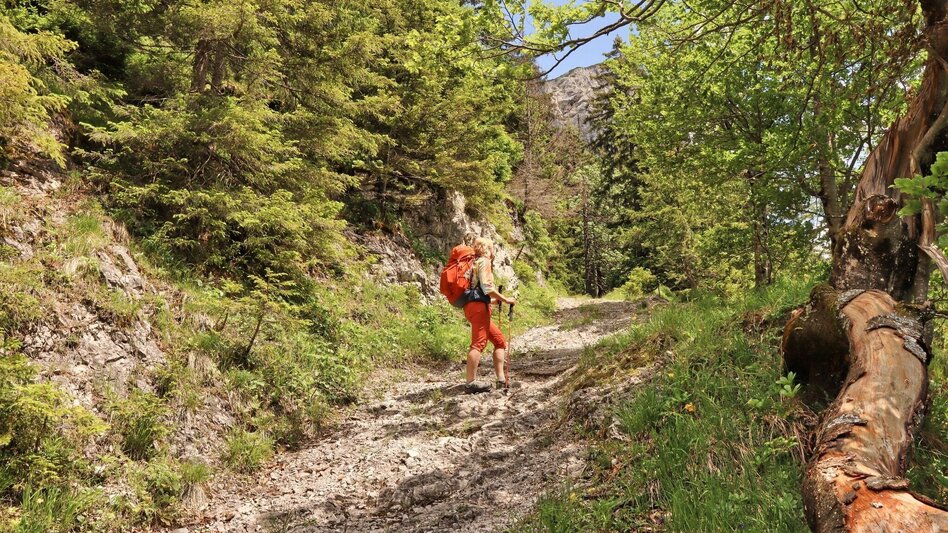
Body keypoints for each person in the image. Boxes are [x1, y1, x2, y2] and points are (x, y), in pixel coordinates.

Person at [464, 237, 516, 393]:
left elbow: (478, 291)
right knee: (478, 343)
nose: (493, 251)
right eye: (492, 248)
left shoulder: (473, 264)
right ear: (487, 249)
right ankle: (470, 383)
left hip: (473, 306)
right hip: (479, 309)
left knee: (499, 341)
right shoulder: (484, 262)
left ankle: (501, 380)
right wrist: (505, 299)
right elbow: (487, 287)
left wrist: (494, 301)